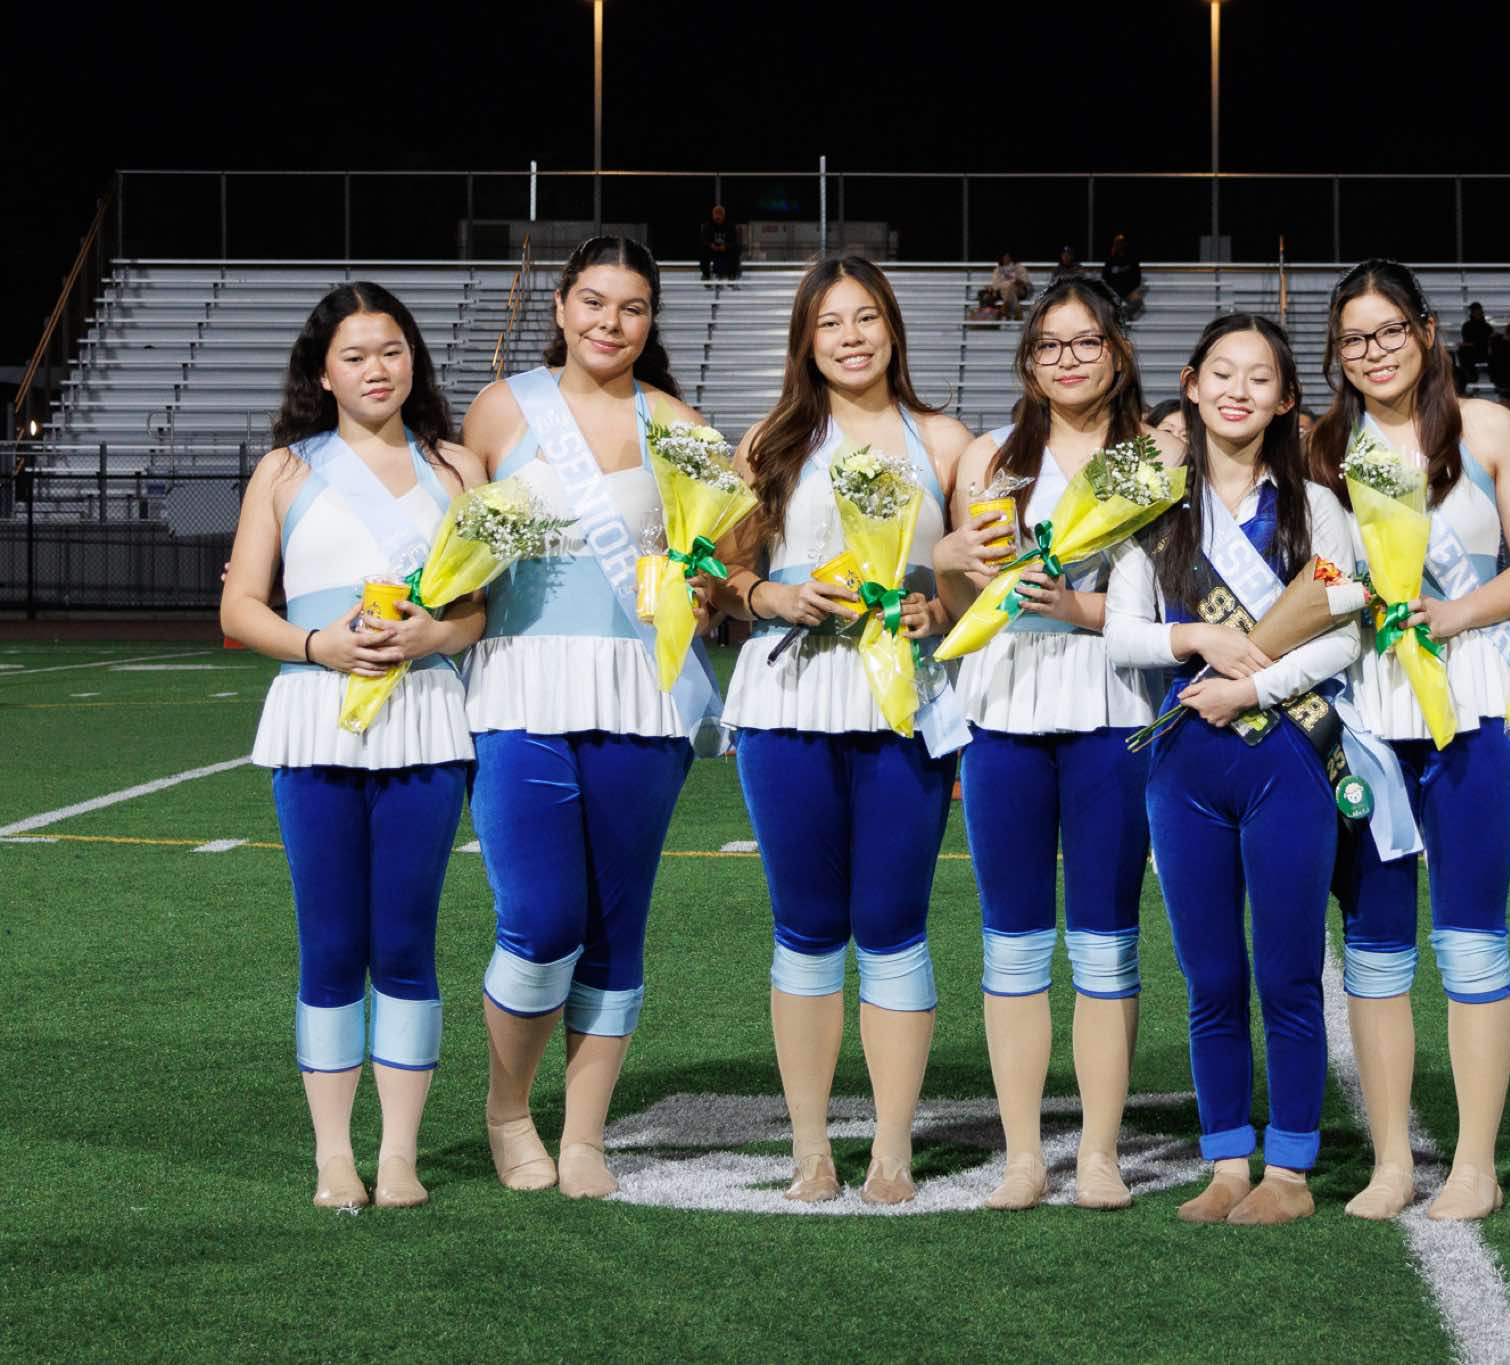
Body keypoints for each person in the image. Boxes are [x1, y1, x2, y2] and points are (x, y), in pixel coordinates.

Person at [713, 256, 975, 1205]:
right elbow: (716, 573)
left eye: (867, 317)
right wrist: (770, 595)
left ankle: (892, 1148)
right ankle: (812, 1147)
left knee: (894, 923)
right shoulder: (771, 439)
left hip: (906, 700)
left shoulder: (945, 440)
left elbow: (979, 585)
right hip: (789, 699)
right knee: (807, 925)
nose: (852, 337)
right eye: (830, 323)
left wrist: (937, 607)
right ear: (806, 340)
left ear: (893, 327)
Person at [460, 236, 717, 1199]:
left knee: (615, 925)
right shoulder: (501, 408)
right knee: (538, 917)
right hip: (519, 686)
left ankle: (582, 1137)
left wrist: (702, 588)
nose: (612, 322)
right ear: (562, 307)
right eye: (595, 302)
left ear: (651, 321)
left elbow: (719, 570)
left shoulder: (679, 424)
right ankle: (507, 1111)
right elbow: (450, 542)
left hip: (638, 695)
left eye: (633, 307)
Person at [222, 283, 487, 1210]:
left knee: (407, 940)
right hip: (317, 719)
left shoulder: (457, 467)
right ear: (323, 374)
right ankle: (335, 1154)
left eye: (392, 350)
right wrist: (317, 644)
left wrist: (434, 634)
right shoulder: (284, 470)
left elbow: (476, 610)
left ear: (415, 359)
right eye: (355, 355)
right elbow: (239, 606)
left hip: (424, 718)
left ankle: (401, 1153)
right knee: (332, 942)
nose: (378, 369)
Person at [1305, 259, 1510, 1222]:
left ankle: (1476, 1165)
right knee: (1372, 945)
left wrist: (1449, 616)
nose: (1372, 352)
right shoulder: (1324, 445)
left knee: (1472, 938)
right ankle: (1391, 1162)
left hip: (1471, 701)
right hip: (1365, 711)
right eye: (1352, 339)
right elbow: (1314, 577)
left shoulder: (1486, 427)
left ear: (1425, 331)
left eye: (1388, 331)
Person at [1106, 314, 1363, 1226]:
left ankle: (1289, 1169)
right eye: (1221, 372)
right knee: (1211, 976)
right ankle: (1224, 1160)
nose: (1238, 391)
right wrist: (1196, 639)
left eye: (1260, 377)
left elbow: (1346, 633)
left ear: (1287, 398)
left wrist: (1252, 686)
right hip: (1185, 764)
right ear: (1191, 383)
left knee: (1288, 973)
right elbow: (1121, 634)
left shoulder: (1315, 505)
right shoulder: (1153, 506)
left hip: (1287, 754)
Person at [934, 279, 1179, 1212]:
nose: (1067, 360)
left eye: (1085, 343)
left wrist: (1078, 608)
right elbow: (962, 607)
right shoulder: (989, 456)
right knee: (1013, 940)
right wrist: (948, 565)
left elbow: (1173, 596)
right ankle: (1024, 1153)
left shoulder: (1157, 455)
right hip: (1004, 710)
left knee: (1107, 938)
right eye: (1048, 345)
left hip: (1114, 707)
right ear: (1027, 360)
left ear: (1119, 352)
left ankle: (1101, 1152)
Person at [1102, 233, 1145, 319]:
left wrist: (1132, 289)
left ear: (1125, 244)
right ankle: (1117, 318)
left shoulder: (1132, 259)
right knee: (1105, 305)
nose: (1120, 245)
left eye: (1122, 243)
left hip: (1128, 291)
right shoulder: (1110, 260)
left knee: (1138, 301)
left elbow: (1137, 277)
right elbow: (1105, 277)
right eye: (1118, 243)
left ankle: (1124, 315)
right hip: (1114, 292)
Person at [986, 253, 1034, 321]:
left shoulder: (1019, 267)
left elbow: (1026, 282)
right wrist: (1008, 284)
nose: (1006, 259)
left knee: (1011, 288)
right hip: (1003, 292)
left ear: (1011, 258)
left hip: (1019, 291)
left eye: (1007, 257)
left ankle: (1005, 309)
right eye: (1004, 257)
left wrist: (1018, 282)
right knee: (1009, 288)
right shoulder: (997, 270)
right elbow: (996, 286)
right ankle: (1017, 311)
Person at [700, 205, 741, 282]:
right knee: (703, 251)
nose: (717, 216)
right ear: (713, 215)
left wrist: (726, 246)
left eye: (720, 214)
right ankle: (706, 275)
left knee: (735, 250)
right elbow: (704, 240)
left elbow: (734, 242)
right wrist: (711, 245)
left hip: (726, 249)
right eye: (716, 214)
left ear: (724, 215)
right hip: (712, 250)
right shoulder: (707, 225)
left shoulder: (730, 225)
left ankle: (732, 274)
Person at [1457, 303, 1491, 389]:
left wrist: (1472, 343)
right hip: (1480, 352)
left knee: (1463, 353)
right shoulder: (1485, 326)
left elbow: (1470, 340)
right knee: (1464, 352)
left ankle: (1470, 377)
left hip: (1479, 351)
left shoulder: (1468, 326)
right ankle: (1471, 377)